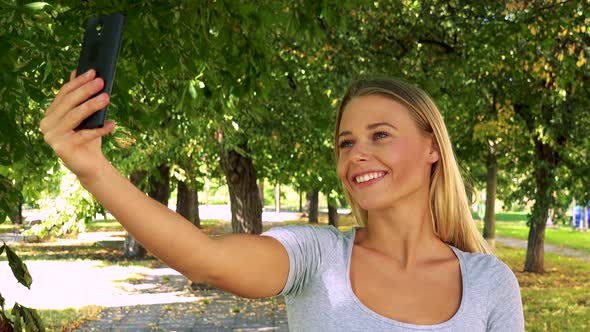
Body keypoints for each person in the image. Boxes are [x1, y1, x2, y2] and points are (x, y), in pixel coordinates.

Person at [41, 71, 524, 331]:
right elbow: (206, 260)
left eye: (380, 135)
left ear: (432, 147)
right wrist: (93, 170)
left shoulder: (488, 283)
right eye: (346, 143)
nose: (359, 155)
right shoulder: (317, 257)